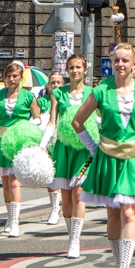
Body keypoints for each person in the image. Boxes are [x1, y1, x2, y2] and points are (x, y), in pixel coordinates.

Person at [73, 43, 135, 268]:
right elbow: (78, 122)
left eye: (125, 61)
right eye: (117, 60)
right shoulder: (101, 91)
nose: (121, 64)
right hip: (107, 157)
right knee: (112, 214)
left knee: (129, 214)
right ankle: (117, 261)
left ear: (134, 64)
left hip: (134, 159)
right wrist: (93, 148)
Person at [0, 61, 42, 237]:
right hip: (1, 142)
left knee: (14, 181)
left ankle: (15, 221)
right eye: (8, 76)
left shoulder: (29, 97)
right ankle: (9, 216)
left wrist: (26, 128)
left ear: (20, 78)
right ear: (5, 78)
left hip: (19, 142)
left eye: (15, 76)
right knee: (5, 183)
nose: (11, 79)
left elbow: (38, 118)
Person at [41, 55, 93, 255]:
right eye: (71, 67)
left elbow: (99, 119)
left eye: (78, 67)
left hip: (84, 149)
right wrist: (42, 145)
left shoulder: (92, 93)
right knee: (66, 196)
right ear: (67, 70)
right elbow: (52, 122)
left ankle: (75, 240)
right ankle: (71, 234)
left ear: (85, 70)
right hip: (63, 148)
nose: (75, 70)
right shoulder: (58, 93)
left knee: (79, 193)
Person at [38, 71, 65, 223]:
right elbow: (35, 112)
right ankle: (54, 209)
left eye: (58, 83)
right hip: (48, 142)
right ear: (48, 86)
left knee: (61, 177)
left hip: (62, 141)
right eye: (52, 83)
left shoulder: (66, 100)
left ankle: (61, 207)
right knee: (50, 178)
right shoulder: (43, 101)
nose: (55, 85)